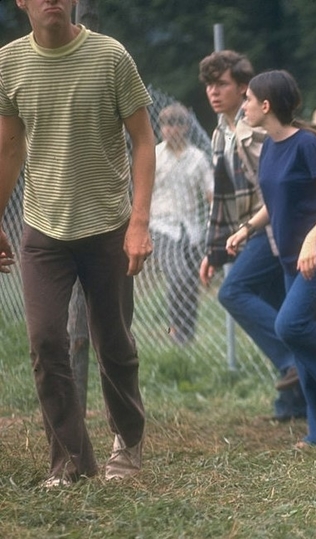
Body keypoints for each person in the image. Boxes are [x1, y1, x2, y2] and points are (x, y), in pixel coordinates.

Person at [0, 0, 155, 486]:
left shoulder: (110, 57)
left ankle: (127, 445)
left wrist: (139, 222)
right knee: (46, 342)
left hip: (108, 226)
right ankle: (70, 461)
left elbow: (145, 141)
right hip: (43, 231)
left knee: (113, 344)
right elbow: (7, 145)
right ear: (21, 1)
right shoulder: (8, 63)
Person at [227, 69, 316, 447]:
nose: (242, 106)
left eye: (247, 99)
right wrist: (247, 228)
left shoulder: (308, 144)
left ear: (265, 105)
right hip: (295, 255)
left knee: (290, 326)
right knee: (304, 340)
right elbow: (274, 202)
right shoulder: (271, 145)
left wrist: (312, 239)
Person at [198, 50, 305, 421]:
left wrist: (249, 230)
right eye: (209, 84)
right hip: (251, 230)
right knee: (277, 309)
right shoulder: (220, 133)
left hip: (273, 228)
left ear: (244, 88)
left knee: (234, 292)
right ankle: (295, 403)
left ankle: (293, 361)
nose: (213, 91)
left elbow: (277, 187)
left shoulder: (256, 131)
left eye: (222, 84)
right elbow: (223, 198)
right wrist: (214, 251)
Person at [150, 103, 213, 344]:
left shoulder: (197, 158)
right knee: (179, 276)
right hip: (161, 226)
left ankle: (187, 335)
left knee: (190, 280)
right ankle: (177, 330)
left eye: (176, 123)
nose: (171, 129)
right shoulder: (154, 155)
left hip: (191, 229)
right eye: (166, 124)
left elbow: (210, 193)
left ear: (186, 126)